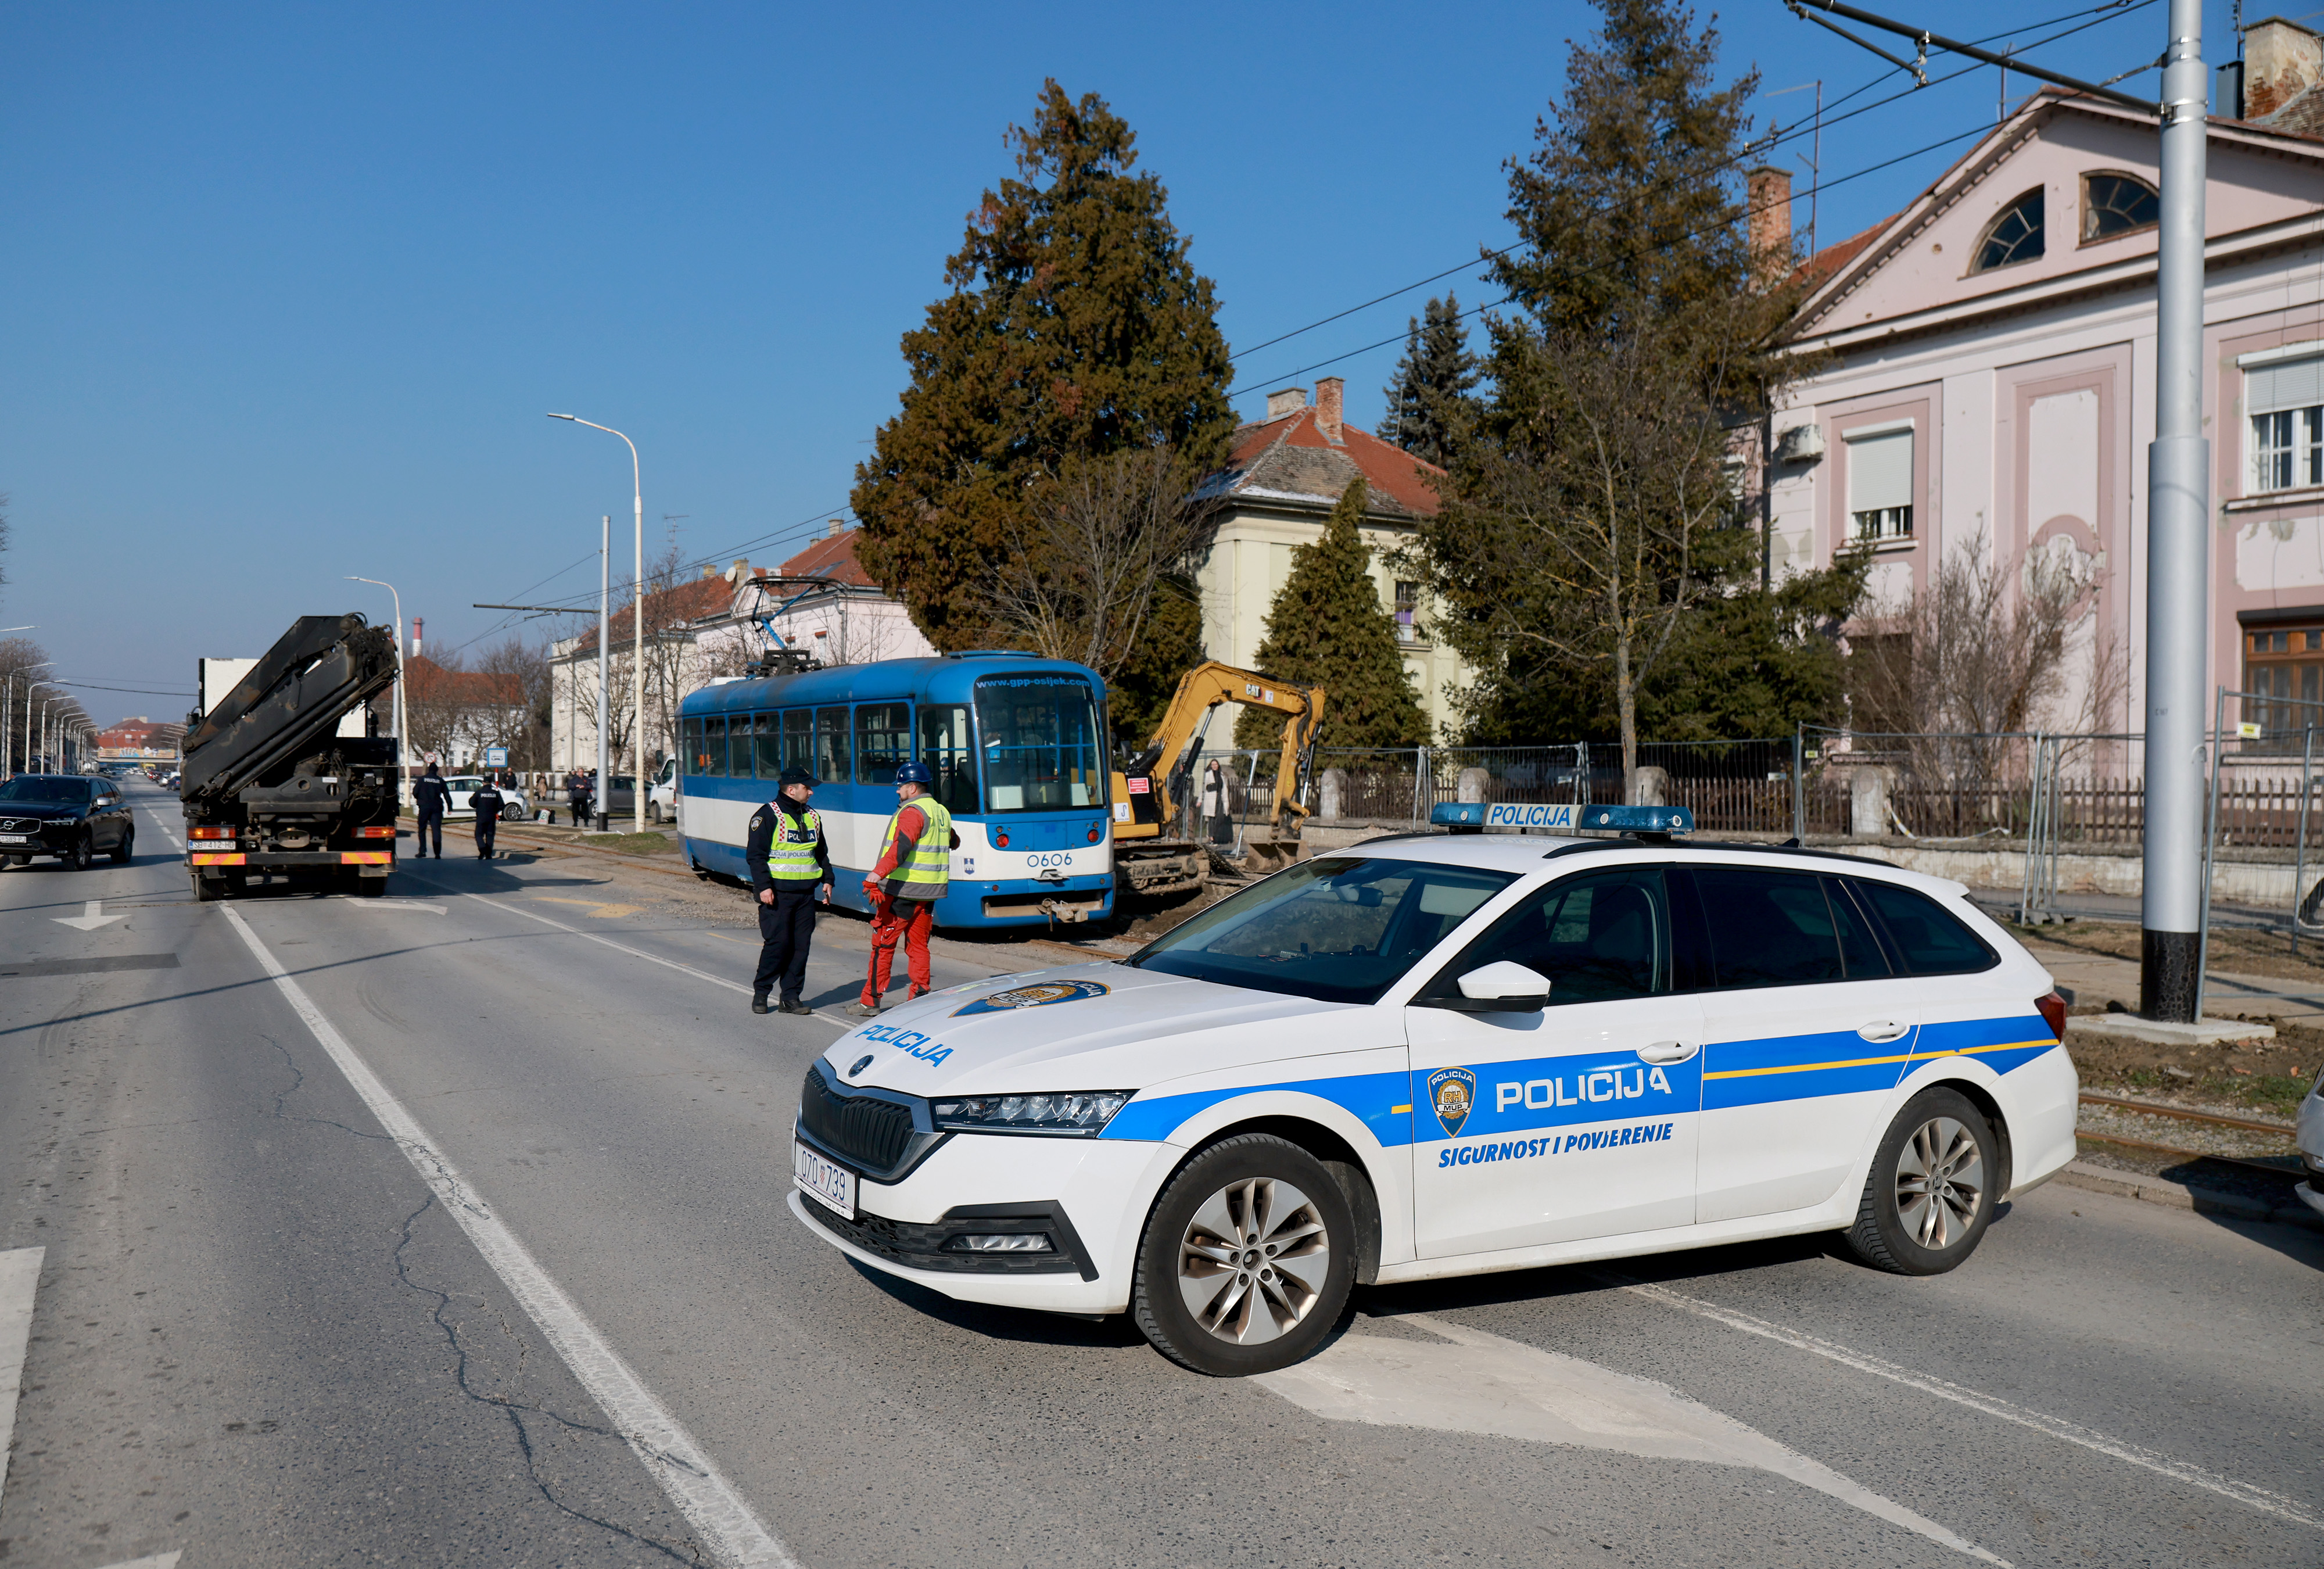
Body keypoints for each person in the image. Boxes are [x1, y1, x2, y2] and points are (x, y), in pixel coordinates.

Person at [851, 761, 958, 1016]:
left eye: (900, 787)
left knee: (883, 944)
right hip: (930, 892)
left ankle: (870, 1002)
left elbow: (900, 849)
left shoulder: (912, 811)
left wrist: (875, 876)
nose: (897, 792)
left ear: (912, 788)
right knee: (918, 946)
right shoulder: (940, 811)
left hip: (903, 891)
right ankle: (919, 1000)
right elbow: (954, 841)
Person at [746, 766, 832, 1015]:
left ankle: (791, 998)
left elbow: (820, 852)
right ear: (792, 790)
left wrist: (828, 879)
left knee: (800, 947)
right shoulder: (767, 816)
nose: (811, 792)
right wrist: (763, 887)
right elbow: (756, 856)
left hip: (806, 894)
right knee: (778, 945)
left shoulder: (813, 817)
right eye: (808, 788)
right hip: (777, 894)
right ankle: (761, 993)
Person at [412, 763, 448, 858]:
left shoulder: (422, 779)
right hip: (437, 807)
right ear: (437, 771)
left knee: (422, 829)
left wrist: (420, 799)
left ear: (428, 770)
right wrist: (450, 806)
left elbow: (415, 792)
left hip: (424, 807)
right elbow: (447, 795)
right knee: (436, 830)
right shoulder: (440, 781)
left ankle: (423, 851)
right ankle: (437, 853)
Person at [471, 774, 505, 860]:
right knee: (490, 836)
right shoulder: (496, 793)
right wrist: (495, 811)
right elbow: (502, 805)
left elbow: (472, 803)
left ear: (483, 783)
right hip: (491, 817)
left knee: (479, 835)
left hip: (481, 817)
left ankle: (483, 850)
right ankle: (488, 855)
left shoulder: (479, 793)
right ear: (491, 783)